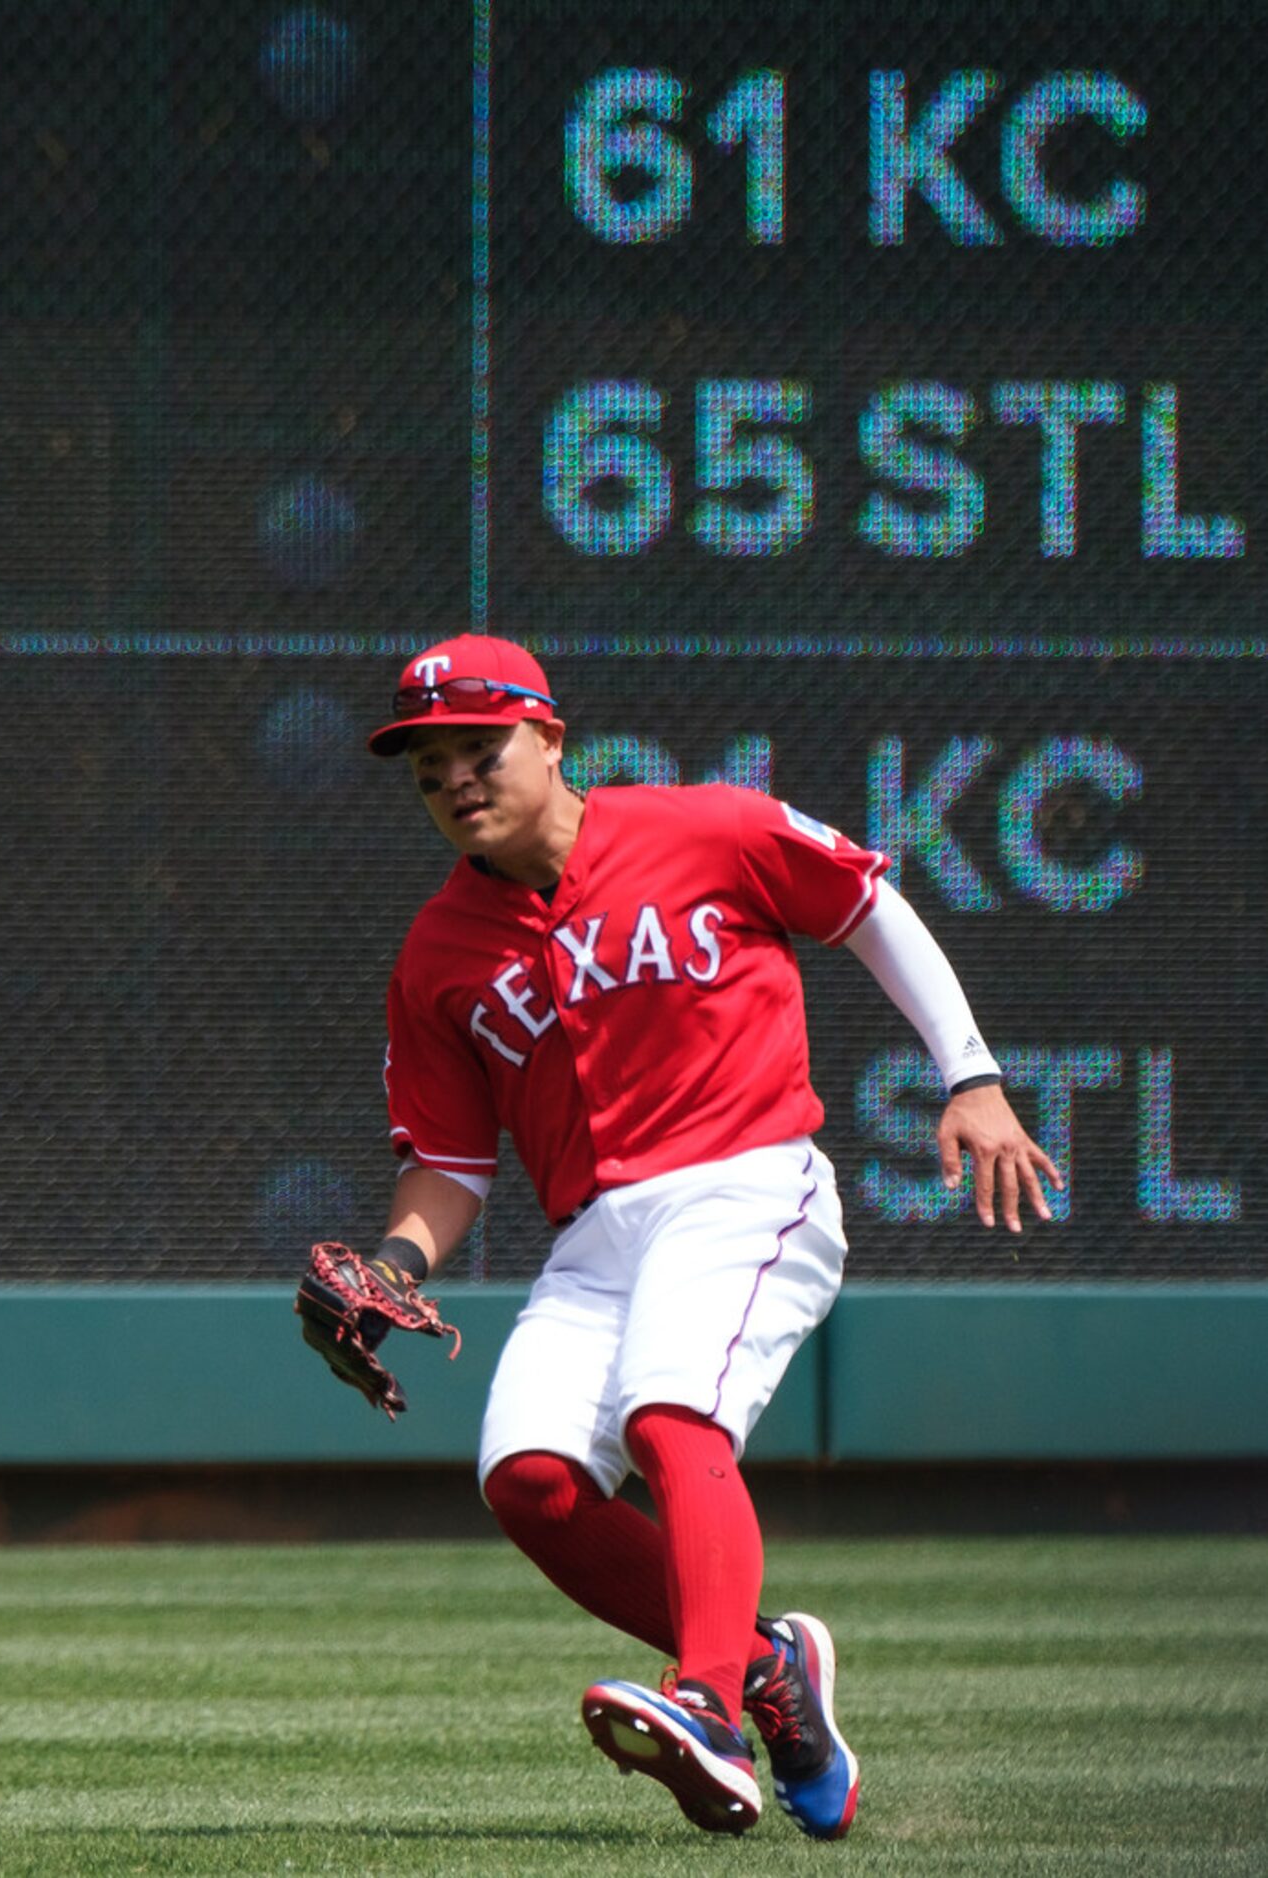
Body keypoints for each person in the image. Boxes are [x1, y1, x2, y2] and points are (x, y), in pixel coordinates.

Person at [306, 633, 1061, 1840]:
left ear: (549, 738)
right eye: (427, 764)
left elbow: (866, 902)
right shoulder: (437, 955)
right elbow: (445, 1166)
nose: (454, 779)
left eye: (479, 746)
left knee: (669, 1416)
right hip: (594, 1238)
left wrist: (967, 1075)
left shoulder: (703, 826)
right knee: (530, 1481)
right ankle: (763, 1665)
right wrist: (394, 1267)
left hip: (745, 1182)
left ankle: (705, 1704)